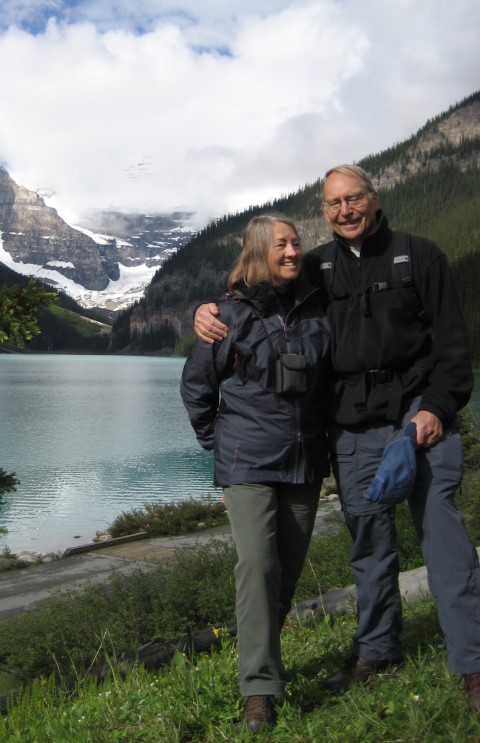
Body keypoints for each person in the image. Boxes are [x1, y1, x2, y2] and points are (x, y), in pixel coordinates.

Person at [193, 165, 480, 716]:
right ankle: (377, 651)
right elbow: (260, 294)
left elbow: (453, 346)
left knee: (444, 539)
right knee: (369, 545)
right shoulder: (316, 268)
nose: (344, 211)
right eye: (333, 204)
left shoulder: (420, 256)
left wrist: (436, 408)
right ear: (324, 211)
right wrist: (207, 311)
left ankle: (472, 663)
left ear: (374, 198)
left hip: (420, 416)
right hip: (351, 427)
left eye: (354, 199)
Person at [181, 214, 330, 733]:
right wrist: (219, 445)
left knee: (283, 577)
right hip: (248, 464)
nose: (292, 252)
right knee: (257, 566)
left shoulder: (318, 308)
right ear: (259, 251)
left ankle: (265, 664)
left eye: (296, 244)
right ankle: (259, 690)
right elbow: (197, 388)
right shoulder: (227, 315)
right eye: (281, 245)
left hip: (305, 463)